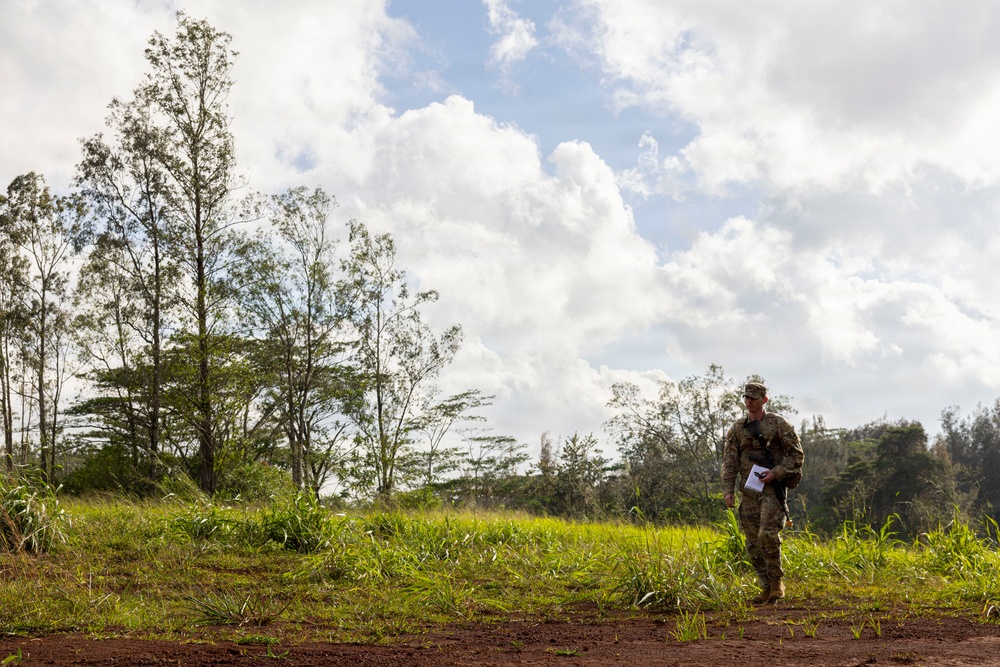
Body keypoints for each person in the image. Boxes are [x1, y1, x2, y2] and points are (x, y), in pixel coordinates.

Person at [721, 382, 804, 604]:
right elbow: (730, 462)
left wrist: (776, 473)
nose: (749, 401)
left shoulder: (778, 424)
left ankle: (777, 583)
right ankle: (765, 586)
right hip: (749, 490)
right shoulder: (738, 428)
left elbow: (797, 455)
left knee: (766, 534)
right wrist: (728, 490)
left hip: (771, 490)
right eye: (747, 397)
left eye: (754, 397)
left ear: (764, 400)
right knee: (751, 543)